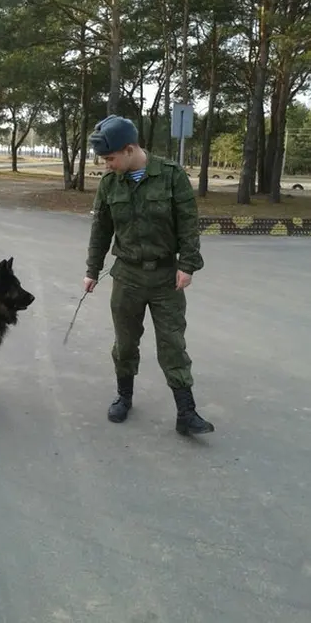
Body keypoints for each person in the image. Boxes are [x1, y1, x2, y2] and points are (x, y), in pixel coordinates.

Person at [83, 114, 214, 436]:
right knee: (125, 344)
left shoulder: (171, 176)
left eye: (110, 158)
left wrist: (187, 265)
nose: (107, 165)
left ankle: (187, 413)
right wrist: (92, 270)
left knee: (173, 344)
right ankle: (124, 397)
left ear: (129, 150)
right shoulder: (110, 183)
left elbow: (188, 223)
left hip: (166, 278)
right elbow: (101, 230)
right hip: (126, 277)